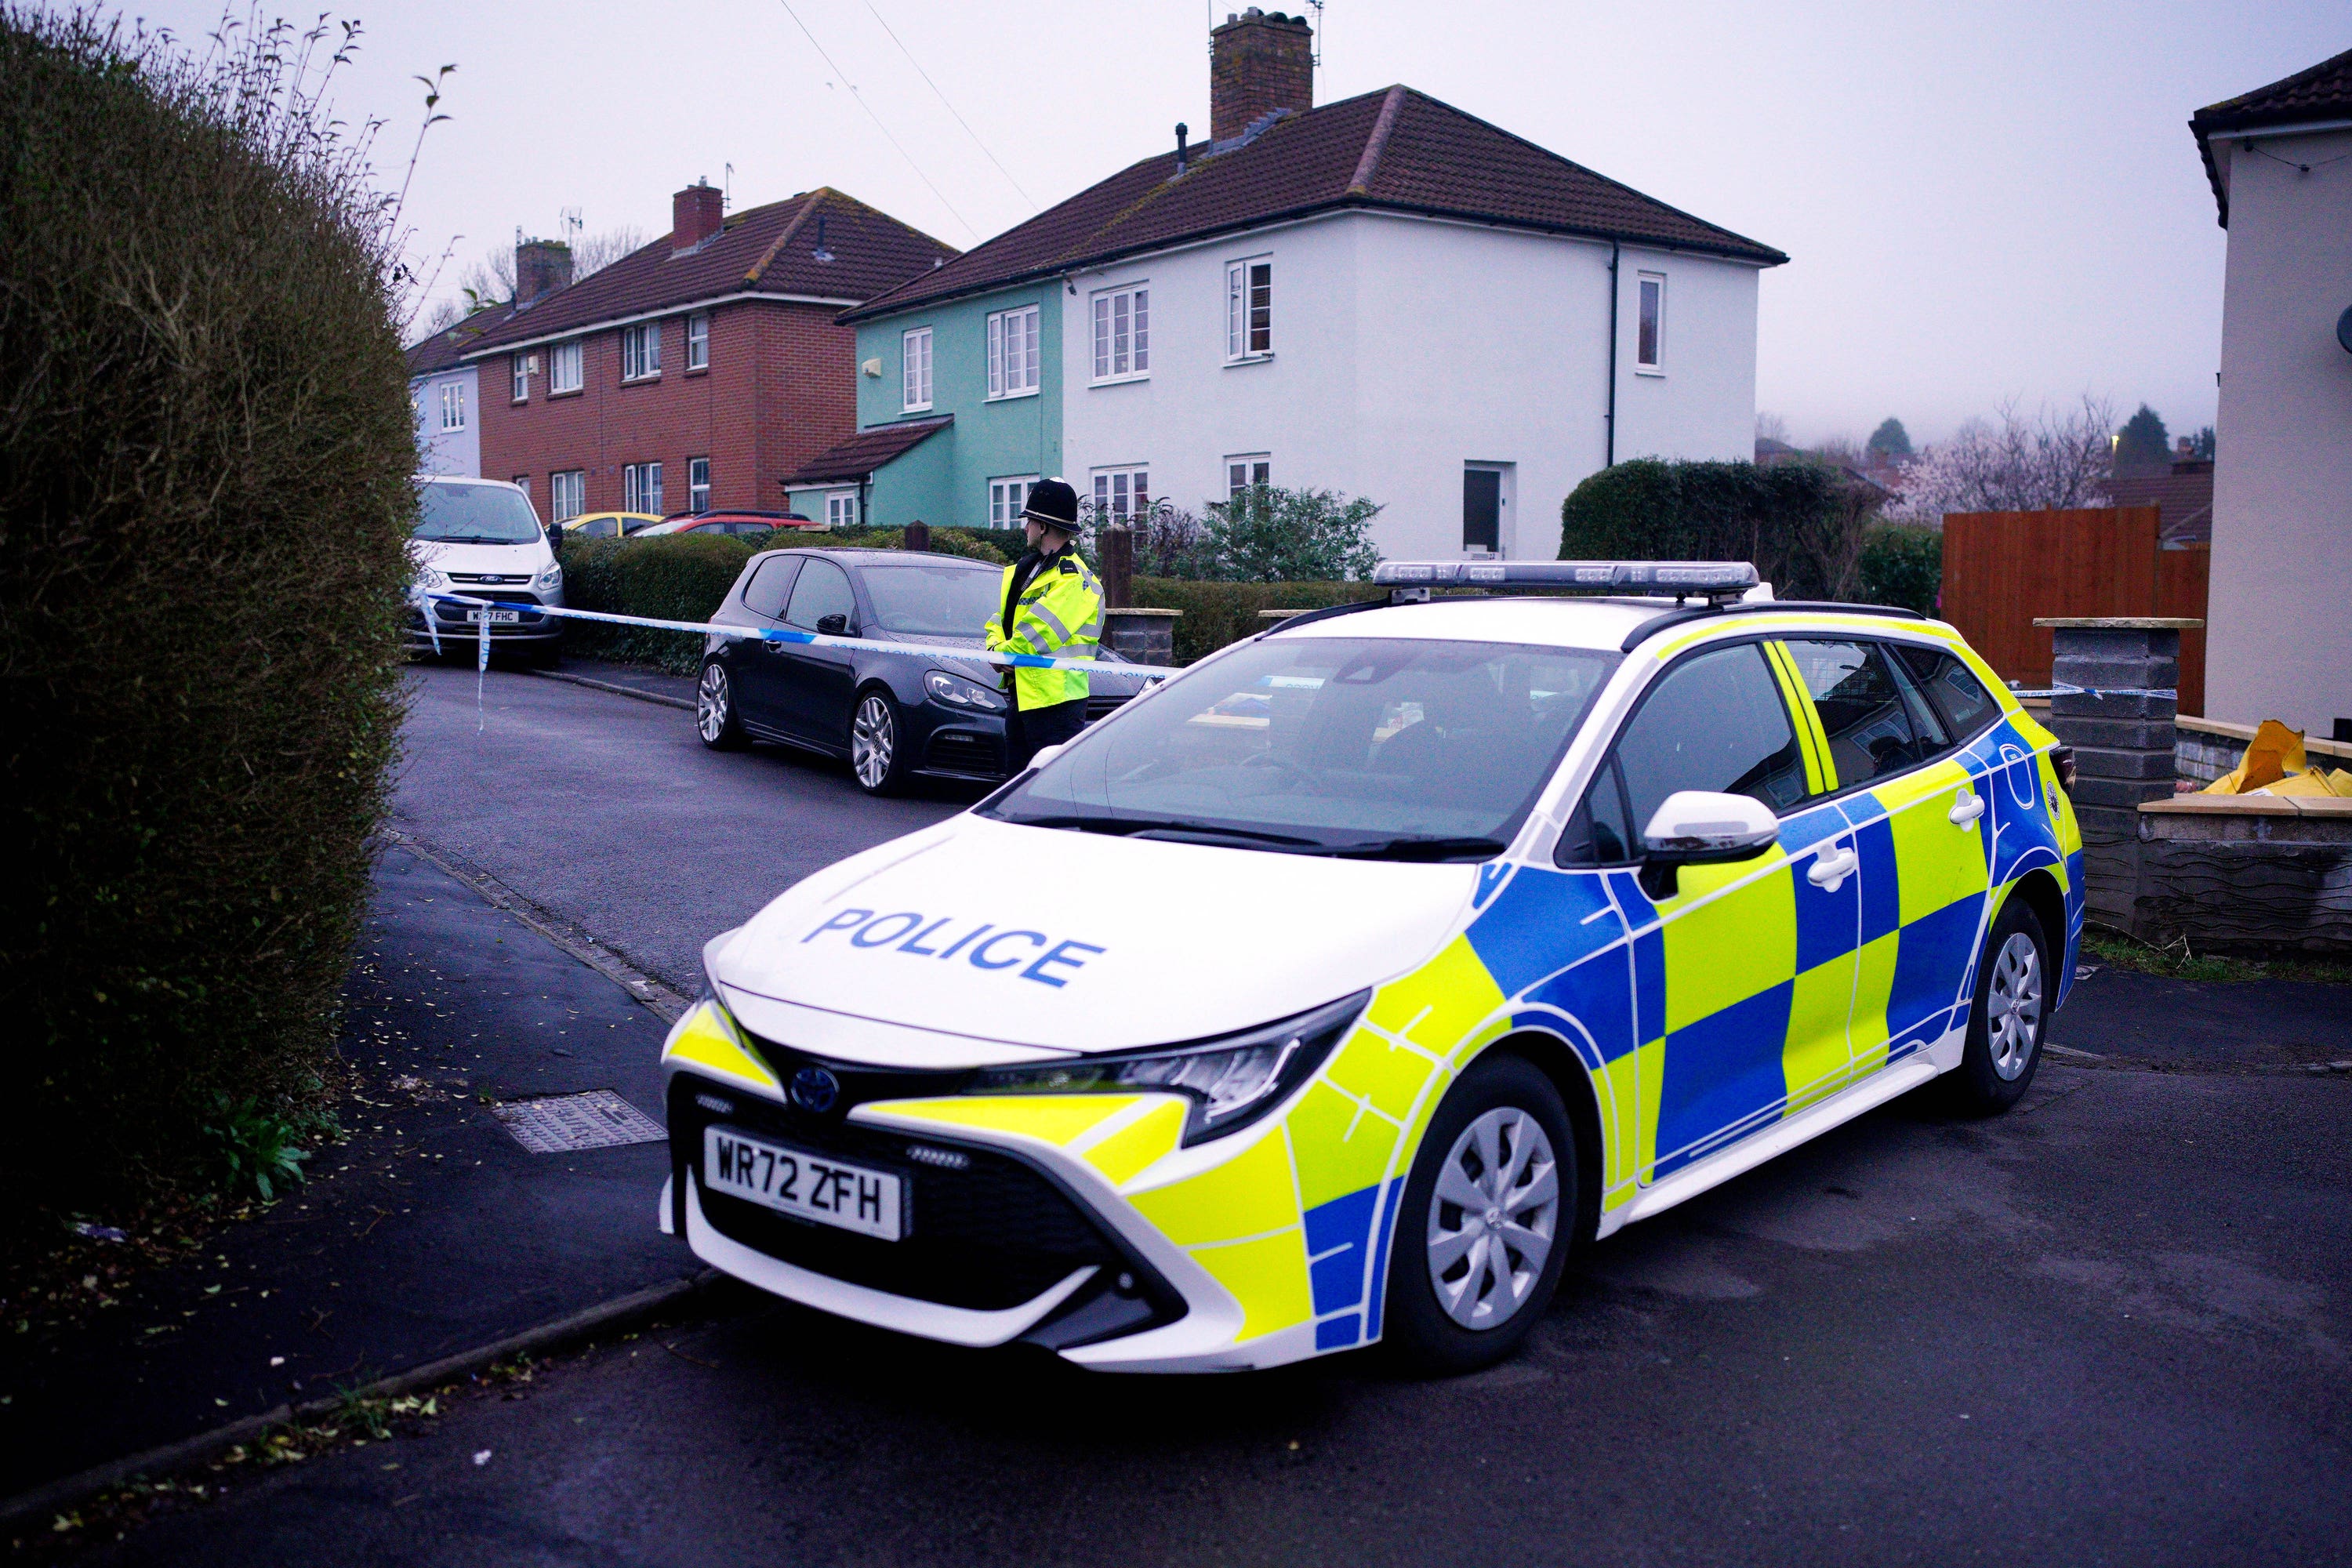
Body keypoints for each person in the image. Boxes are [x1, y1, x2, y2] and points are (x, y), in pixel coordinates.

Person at [985, 477, 1103, 774]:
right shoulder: (1024, 570)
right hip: (1023, 697)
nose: (1025, 527)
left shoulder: (1075, 580)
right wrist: (996, 648)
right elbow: (999, 620)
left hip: (1057, 706)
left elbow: (1038, 634)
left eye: (1030, 521)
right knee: (1015, 790)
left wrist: (1003, 654)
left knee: (1050, 793)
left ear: (1044, 526)